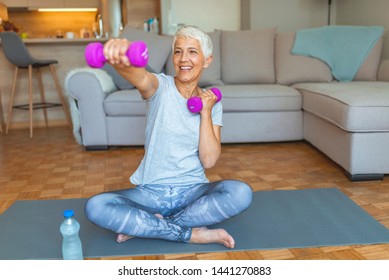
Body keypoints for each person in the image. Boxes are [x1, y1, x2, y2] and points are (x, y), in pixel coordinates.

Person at [84, 25, 253, 248]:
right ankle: (189, 234)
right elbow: (139, 75)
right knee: (96, 206)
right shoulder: (159, 86)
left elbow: (209, 160)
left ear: (207, 60)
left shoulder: (212, 102)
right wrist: (119, 58)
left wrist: (205, 112)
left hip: (193, 193)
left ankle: (148, 227)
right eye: (178, 51)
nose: (184, 58)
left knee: (241, 192)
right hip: (150, 194)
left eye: (192, 51)